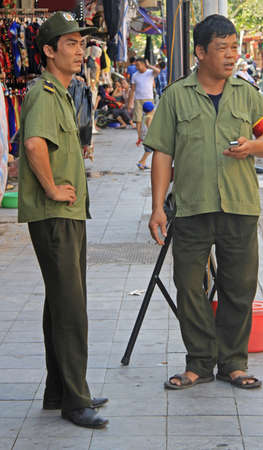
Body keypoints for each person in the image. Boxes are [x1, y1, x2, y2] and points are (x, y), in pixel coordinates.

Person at [144, 14, 263, 390]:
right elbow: (161, 154)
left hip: (239, 207)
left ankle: (234, 363)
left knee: (240, 287)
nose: (231, 55)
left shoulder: (247, 95)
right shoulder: (175, 96)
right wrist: (158, 207)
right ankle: (200, 362)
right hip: (191, 208)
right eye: (222, 48)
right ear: (200, 52)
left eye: (234, 47)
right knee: (188, 286)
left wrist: (253, 146)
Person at [17, 12, 109, 429]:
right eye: (70, 43)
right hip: (55, 213)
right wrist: (53, 189)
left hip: (68, 213)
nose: (80, 49)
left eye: (80, 43)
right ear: (49, 51)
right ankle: (76, 399)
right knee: (71, 306)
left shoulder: (64, 91)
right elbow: (34, 144)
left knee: (61, 302)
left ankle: (60, 390)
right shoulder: (44, 92)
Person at [128, 57, 160, 145]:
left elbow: (158, 71)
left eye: (138, 65)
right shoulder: (134, 75)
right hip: (138, 99)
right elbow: (132, 89)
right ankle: (140, 137)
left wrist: (149, 65)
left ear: (143, 64)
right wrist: (130, 102)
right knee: (138, 119)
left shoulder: (150, 73)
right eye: (136, 65)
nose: (137, 67)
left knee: (149, 118)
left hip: (148, 99)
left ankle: (150, 136)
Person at [137, 101, 155, 170]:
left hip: (144, 136)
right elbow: (150, 127)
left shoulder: (145, 116)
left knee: (147, 150)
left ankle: (143, 163)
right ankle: (141, 161)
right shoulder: (149, 117)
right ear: (152, 109)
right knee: (149, 150)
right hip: (147, 137)